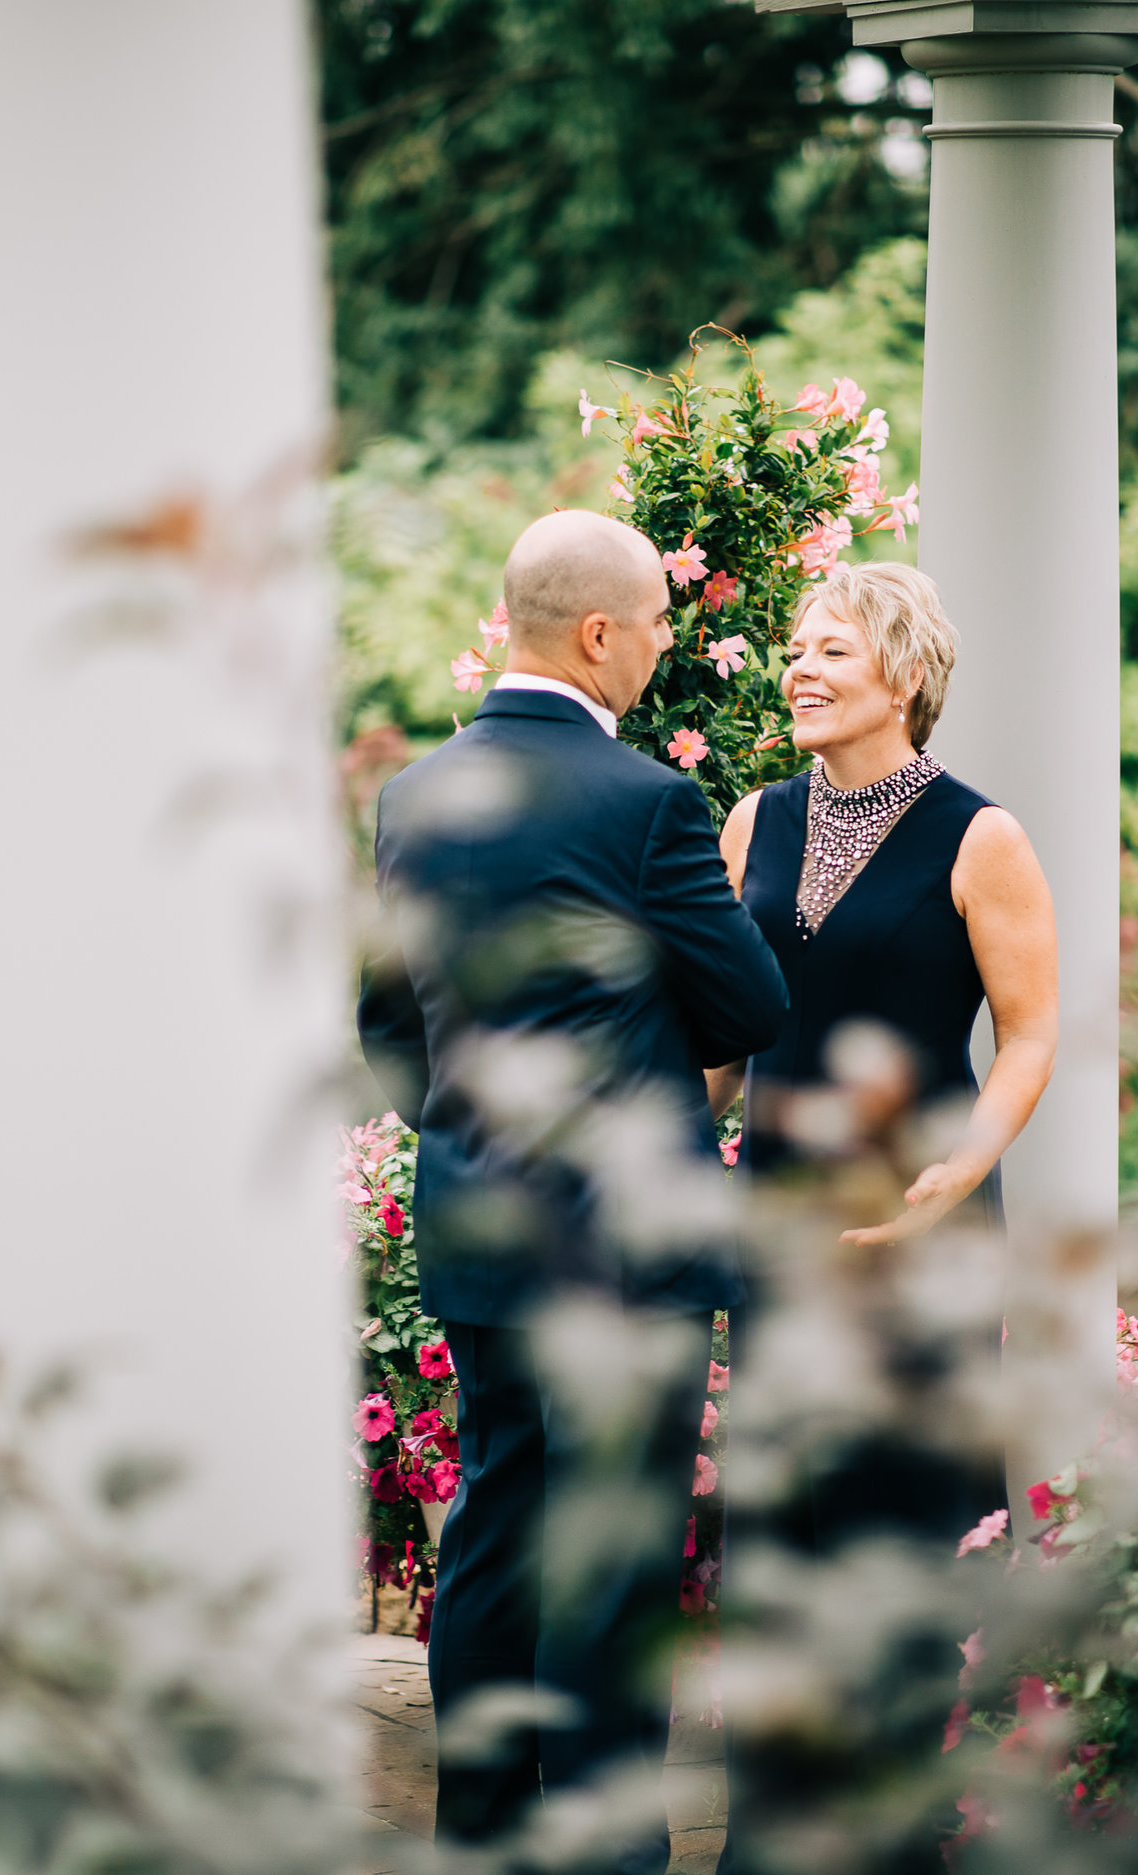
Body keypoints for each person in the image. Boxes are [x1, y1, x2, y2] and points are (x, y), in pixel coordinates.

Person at [358, 509, 786, 1874]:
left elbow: (384, 1023)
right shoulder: (650, 804)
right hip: (625, 1253)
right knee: (608, 1568)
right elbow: (752, 1000)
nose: (663, 650)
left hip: (480, 1232)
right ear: (599, 634)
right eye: (657, 625)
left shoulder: (411, 796)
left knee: (493, 1532)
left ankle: (478, 1834)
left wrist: (470, 1123)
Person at [704, 560, 1057, 1875]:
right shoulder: (754, 819)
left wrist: (964, 1167)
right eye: (796, 648)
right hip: (782, 1230)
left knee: (901, 1541)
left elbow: (1028, 1040)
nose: (800, 667)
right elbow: (726, 1046)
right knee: (780, 1544)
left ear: (903, 678)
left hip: (922, 1241)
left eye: (831, 652)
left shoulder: (983, 839)